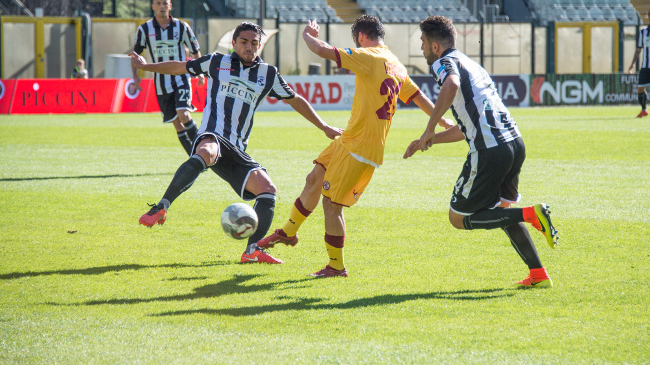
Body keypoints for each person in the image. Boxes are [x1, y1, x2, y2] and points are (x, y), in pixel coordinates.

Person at [257, 16, 453, 277]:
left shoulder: (368, 56)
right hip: (349, 140)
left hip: (360, 146)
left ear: (361, 36)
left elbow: (321, 50)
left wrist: (307, 34)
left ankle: (336, 267)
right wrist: (442, 121)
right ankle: (288, 233)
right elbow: (418, 97)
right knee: (314, 178)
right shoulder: (395, 64)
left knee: (332, 205)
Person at [130, 22, 342, 264]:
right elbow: (180, 66)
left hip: (237, 149)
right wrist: (146, 66)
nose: (249, 47)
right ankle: (161, 207)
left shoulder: (268, 74)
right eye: (243, 42)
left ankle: (252, 251)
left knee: (268, 190)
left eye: (254, 43)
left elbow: (295, 100)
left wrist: (324, 127)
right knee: (207, 150)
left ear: (259, 46)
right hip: (213, 135)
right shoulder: (216, 62)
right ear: (234, 43)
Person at [403, 15, 559, 288]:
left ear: (436, 46)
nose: (421, 48)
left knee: (458, 218)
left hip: (490, 149)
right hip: (514, 144)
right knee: (501, 211)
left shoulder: (444, 63)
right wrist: (429, 140)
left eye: (423, 42)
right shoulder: (472, 65)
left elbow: (450, 84)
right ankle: (538, 274)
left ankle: (531, 214)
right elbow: (466, 127)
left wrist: (429, 127)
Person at [131, 0, 205, 156]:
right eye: (158, 3)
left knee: (183, 113)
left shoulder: (182, 27)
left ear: (170, 6)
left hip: (181, 77)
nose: (162, 6)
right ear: (153, 7)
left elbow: (195, 49)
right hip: (161, 84)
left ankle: (204, 149)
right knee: (177, 123)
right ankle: (195, 158)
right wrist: (135, 76)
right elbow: (135, 55)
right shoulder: (144, 30)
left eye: (165, 3)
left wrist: (199, 71)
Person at [627, 9, 650, 118]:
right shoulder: (643, 32)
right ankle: (644, 110)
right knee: (640, 89)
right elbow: (638, 50)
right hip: (646, 66)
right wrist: (632, 64)